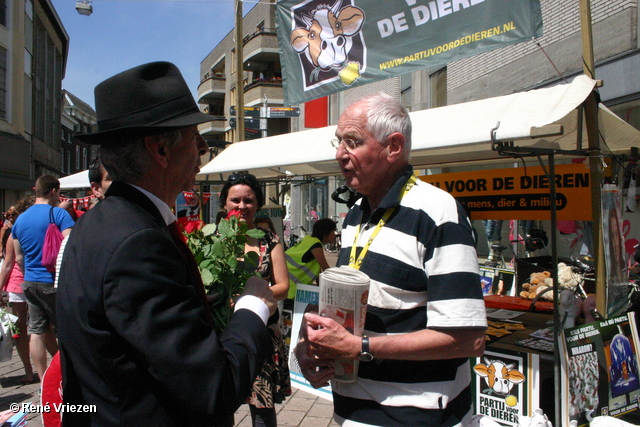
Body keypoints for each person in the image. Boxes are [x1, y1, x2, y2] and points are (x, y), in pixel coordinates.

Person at [56, 61, 277, 425]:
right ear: (159, 149)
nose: (204, 148)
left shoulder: (100, 223)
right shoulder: (138, 243)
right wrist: (254, 307)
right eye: (193, 137)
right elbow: (214, 388)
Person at [295, 93, 487, 426]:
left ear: (393, 147)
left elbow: (468, 338)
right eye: (338, 142)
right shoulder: (355, 213)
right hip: (351, 413)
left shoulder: (438, 213)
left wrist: (360, 346)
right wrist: (312, 344)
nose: (340, 154)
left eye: (352, 142)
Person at [220, 173, 291, 427]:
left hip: (261, 333)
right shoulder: (215, 241)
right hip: (223, 332)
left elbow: (283, 285)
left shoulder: (269, 240)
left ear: (257, 204)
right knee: (220, 404)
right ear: (224, 204)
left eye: (248, 201)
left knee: (261, 409)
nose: (241, 206)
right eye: (235, 200)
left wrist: (251, 299)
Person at [12, 175, 74, 381]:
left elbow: (18, 257)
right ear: (53, 191)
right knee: (65, 330)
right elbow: (71, 246)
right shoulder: (58, 214)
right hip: (54, 281)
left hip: (30, 282)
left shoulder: (20, 219)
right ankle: (69, 376)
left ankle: (43, 378)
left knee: (36, 332)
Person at [0, 197, 35, 384]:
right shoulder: (16, 231)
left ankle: (30, 371)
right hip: (30, 281)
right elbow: (8, 263)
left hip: (18, 283)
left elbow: (8, 263)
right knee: (36, 328)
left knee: (22, 328)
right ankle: (39, 369)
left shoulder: (16, 230)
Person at [284, 217, 336, 298]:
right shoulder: (316, 245)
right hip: (290, 288)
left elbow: (319, 273)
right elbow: (326, 269)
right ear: (325, 232)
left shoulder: (308, 240)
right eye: (333, 231)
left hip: (285, 283)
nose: (334, 234)